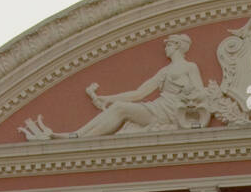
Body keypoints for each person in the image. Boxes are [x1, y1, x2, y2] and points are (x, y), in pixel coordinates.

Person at [23, 34, 207, 139]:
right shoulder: (165, 71)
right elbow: (139, 93)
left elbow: (200, 92)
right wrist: (107, 98)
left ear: (176, 47)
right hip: (158, 108)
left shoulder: (190, 67)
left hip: (171, 112)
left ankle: (78, 137)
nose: (166, 48)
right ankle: (76, 135)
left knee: (120, 109)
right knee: (119, 107)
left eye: (169, 45)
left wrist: (190, 98)